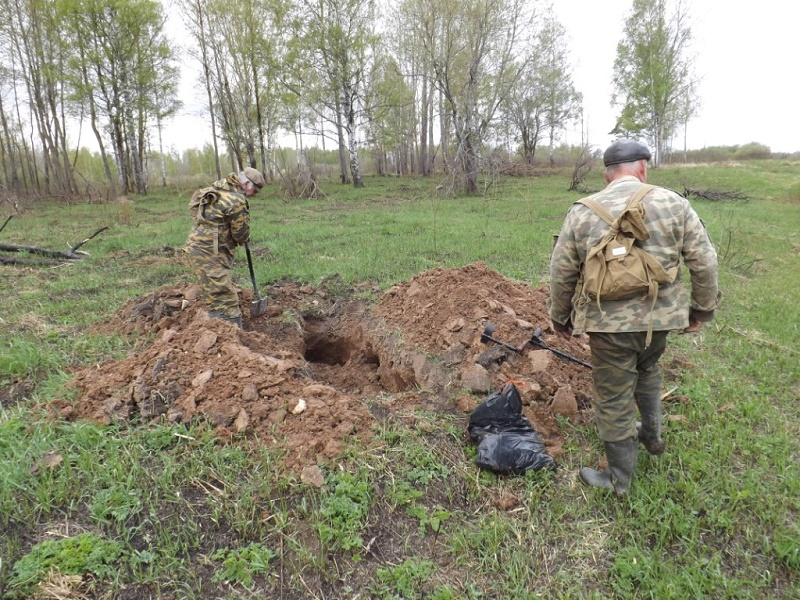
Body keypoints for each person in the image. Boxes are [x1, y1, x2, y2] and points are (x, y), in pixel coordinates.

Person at [548, 139, 720, 496]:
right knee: (648, 368)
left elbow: (562, 271)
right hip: (660, 320)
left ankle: (619, 480)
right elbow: (704, 261)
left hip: (607, 326)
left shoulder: (581, 211)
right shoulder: (675, 203)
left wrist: (560, 317)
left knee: (612, 397)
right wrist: (700, 309)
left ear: (607, 174)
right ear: (642, 167)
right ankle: (652, 437)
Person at [184, 167, 265, 328]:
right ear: (246, 183)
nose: (254, 195)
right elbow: (240, 234)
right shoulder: (236, 200)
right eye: (254, 190)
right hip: (207, 253)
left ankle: (219, 333)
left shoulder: (221, 186)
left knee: (215, 295)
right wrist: (245, 235)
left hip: (200, 248)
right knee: (225, 299)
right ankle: (231, 340)